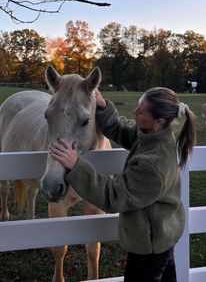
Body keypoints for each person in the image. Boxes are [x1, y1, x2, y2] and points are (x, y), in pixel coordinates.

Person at [50, 87, 196, 282]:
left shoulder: (152, 164)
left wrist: (76, 166)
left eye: (141, 111)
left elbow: (114, 197)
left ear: (157, 122)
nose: (135, 112)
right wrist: (103, 107)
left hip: (150, 245)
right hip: (162, 235)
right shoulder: (158, 135)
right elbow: (124, 131)